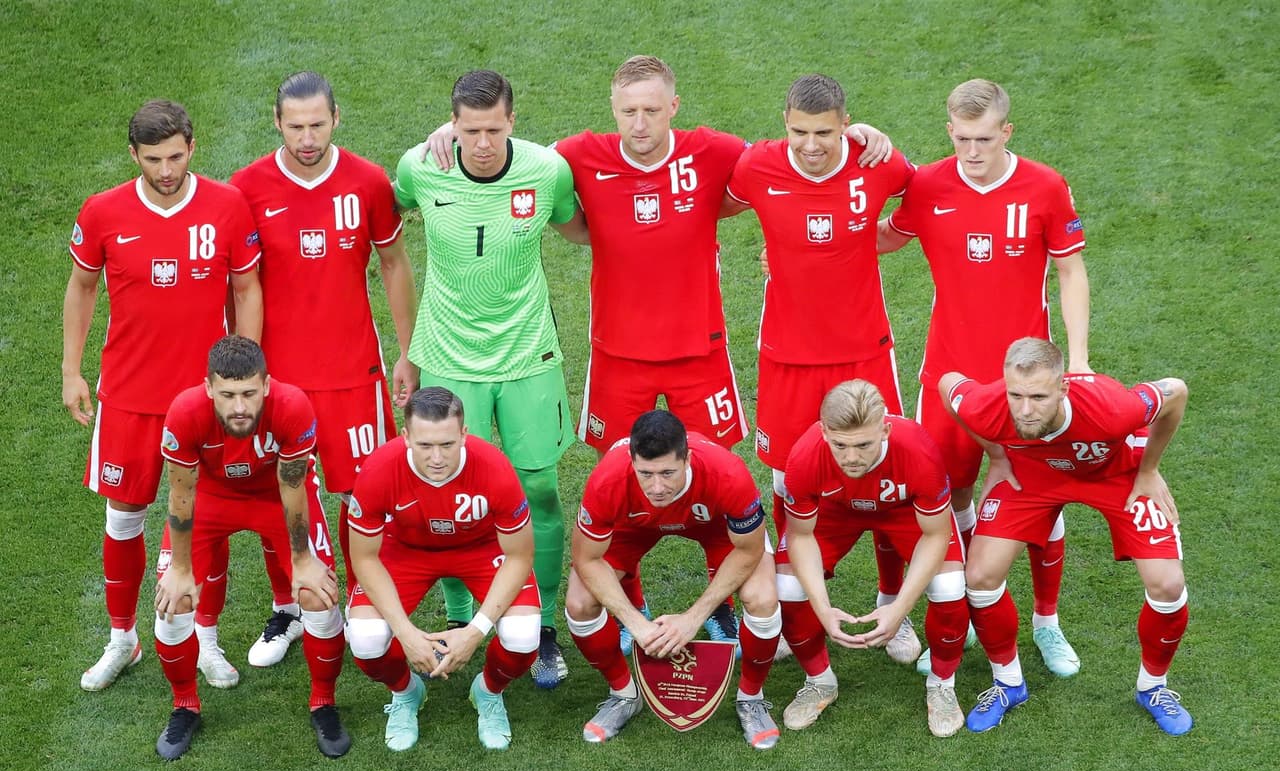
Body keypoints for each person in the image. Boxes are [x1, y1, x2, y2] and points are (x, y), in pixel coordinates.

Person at [425, 57, 892, 652]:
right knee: (623, 478)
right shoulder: (578, 156)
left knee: (715, 478)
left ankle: (721, 605)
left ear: (674, 107)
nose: (640, 123)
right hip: (617, 356)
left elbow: (793, 151)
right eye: (628, 111)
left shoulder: (714, 152)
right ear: (613, 110)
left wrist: (857, 134)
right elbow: (510, 152)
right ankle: (633, 602)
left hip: (700, 352)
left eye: (651, 110)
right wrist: (449, 132)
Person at [879, 79, 1091, 678]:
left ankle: (1047, 622)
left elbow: (1070, 271)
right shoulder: (928, 185)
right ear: (950, 131)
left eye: (985, 139)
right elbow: (884, 237)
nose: (973, 151)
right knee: (950, 495)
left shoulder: (1045, 187)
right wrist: (800, 246)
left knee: (1041, 495)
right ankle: (970, 610)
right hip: (946, 377)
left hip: (1025, 383)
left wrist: (1077, 359)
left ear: (1006, 131)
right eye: (963, 139)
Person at [213, 71, 417, 671]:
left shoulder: (369, 181)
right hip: (276, 379)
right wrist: (243, 377)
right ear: (277, 123)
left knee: (362, 494)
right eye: (296, 126)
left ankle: (362, 599)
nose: (307, 138)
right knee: (284, 490)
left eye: (318, 125)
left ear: (336, 119)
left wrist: (408, 351)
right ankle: (291, 607)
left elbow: (394, 264)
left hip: (354, 372)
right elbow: (237, 285)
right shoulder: (245, 189)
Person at [62, 99, 262, 692]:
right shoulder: (103, 212)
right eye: (154, 159)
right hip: (129, 397)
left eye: (176, 156)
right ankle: (122, 639)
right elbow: (81, 288)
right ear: (134, 155)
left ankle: (205, 639)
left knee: (205, 519)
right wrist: (72, 371)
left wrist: (245, 377)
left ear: (192, 148)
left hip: (206, 401)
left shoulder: (227, 205)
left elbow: (247, 288)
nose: (167, 170)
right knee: (123, 517)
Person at [394, 70, 583, 688]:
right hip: (449, 360)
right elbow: (386, 213)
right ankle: (458, 618)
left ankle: (545, 627)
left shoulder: (545, 171)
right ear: (452, 124)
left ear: (513, 123)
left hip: (529, 357)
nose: (481, 144)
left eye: (493, 130)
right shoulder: (421, 168)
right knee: (449, 490)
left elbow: (578, 224)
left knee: (540, 491)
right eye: (469, 130)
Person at [723, 74, 921, 664]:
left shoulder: (875, 161)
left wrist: (873, 237)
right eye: (799, 132)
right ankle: (799, 612)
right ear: (784, 124)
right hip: (787, 355)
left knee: (885, 472)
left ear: (845, 124)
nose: (811, 145)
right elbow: (714, 201)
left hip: (864, 350)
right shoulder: (757, 166)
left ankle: (892, 602)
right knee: (789, 478)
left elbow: (921, 197)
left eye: (825, 133)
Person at [941, 338, 1192, 735]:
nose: (1025, 410)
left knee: (1167, 584)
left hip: (1116, 473)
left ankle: (1153, 688)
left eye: (1038, 397)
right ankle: (1008, 683)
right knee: (980, 577)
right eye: (1016, 395)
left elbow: (1175, 391)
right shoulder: (987, 406)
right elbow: (947, 384)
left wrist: (1149, 469)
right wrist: (998, 455)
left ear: (1063, 388)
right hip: (1034, 472)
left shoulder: (1112, 408)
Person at [153, 337, 346, 760]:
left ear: (267, 385)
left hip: (275, 496)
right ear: (208, 388)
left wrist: (302, 561)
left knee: (317, 594)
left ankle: (324, 702)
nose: (239, 407)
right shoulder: (185, 412)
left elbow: (293, 486)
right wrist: (180, 570)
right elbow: (181, 495)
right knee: (173, 602)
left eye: (249, 393)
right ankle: (184, 705)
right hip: (211, 499)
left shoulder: (292, 407)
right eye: (227, 395)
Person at [566, 410, 783, 750]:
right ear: (632, 462)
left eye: (668, 472)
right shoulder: (608, 478)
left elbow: (750, 549)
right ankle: (623, 694)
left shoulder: (726, 472)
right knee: (580, 603)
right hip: (633, 526)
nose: (657, 487)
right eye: (646, 474)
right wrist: (636, 624)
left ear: (687, 459)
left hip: (713, 524)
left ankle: (751, 698)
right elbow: (586, 559)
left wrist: (692, 618)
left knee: (763, 597)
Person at [345, 387, 542, 751]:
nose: (436, 458)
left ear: (464, 434)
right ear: (406, 436)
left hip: (480, 548)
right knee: (365, 639)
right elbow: (364, 558)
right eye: (425, 446)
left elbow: (519, 556)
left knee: (523, 635)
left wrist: (475, 631)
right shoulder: (378, 469)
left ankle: (488, 691)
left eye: (447, 445)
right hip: (407, 550)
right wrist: (405, 632)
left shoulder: (494, 467)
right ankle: (406, 692)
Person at [775, 380, 969, 737]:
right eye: (840, 445)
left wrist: (899, 609)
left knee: (950, 586)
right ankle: (820, 681)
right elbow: (801, 536)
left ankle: (942, 684)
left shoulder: (918, 451)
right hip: (836, 510)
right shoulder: (804, 455)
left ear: (885, 430)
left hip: (902, 510)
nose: (851, 457)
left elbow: (936, 534)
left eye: (863, 444)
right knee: (787, 588)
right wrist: (822, 609)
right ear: (824, 432)